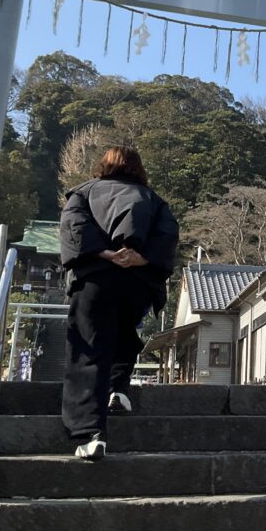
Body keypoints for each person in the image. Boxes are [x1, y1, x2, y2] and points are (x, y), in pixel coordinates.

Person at [59, 146, 179, 460]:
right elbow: (167, 236)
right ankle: (118, 389)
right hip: (138, 281)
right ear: (138, 169)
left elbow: (74, 228)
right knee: (126, 334)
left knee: (89, 348)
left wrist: (106, 253)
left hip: (95, 278)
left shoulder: (83, 193)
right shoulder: (154, 200)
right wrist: (139, 256)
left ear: (104, 165)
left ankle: (90, 433)